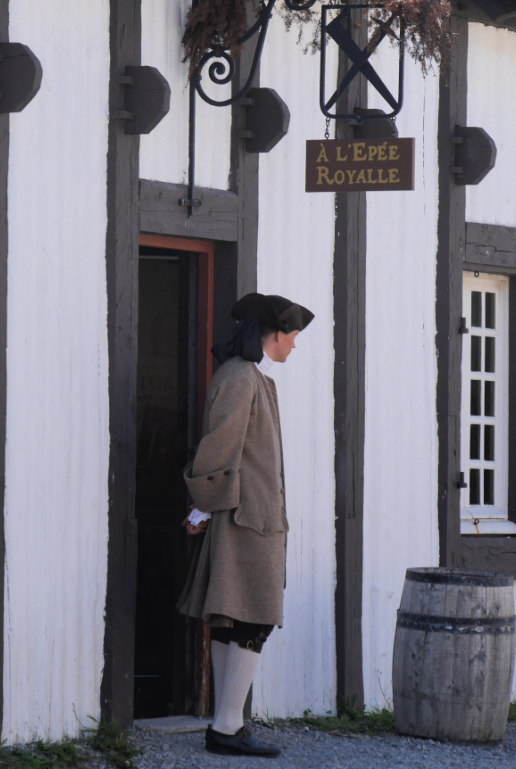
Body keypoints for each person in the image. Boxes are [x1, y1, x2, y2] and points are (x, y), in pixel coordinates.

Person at [176, 292, 314, 758]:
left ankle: (225, 725)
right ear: (273, 334)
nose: (294, 346)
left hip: (251, 519)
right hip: (244, 521)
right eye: (292, 337)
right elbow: (219, 447)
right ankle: (228, 726)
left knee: (233, 618)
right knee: (252, 618)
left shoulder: (252, 377)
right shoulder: (239, 378)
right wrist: (200, 507)